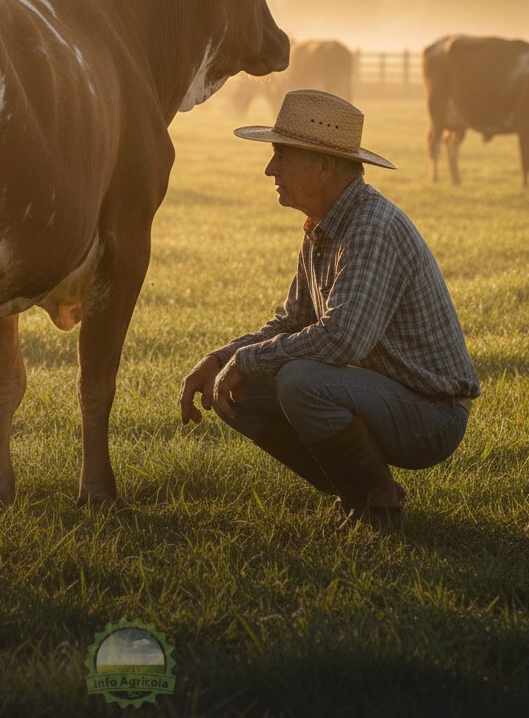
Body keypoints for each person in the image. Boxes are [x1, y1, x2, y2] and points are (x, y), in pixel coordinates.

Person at [179, 89, 479, 528]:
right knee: (232, 389)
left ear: (323, 166)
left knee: (302, 381)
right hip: (386, 394)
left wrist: (248, 359)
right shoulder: (324, 226)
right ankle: (360, 491)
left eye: (281, 155)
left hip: (432, 414)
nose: (269, 169)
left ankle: (377, 507)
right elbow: (293, 320)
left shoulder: (371, 228)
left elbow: (343, 338)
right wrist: (222, 358)